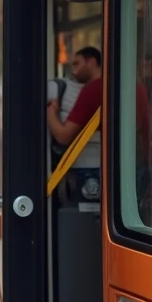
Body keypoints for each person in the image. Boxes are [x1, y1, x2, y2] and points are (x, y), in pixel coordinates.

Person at [46, 47, 103, 202]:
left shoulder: (92, 91)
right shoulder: (134, 88)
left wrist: (51, 110)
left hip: (88, 169)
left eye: (77, 64)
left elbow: (63, 136)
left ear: (91, 62)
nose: (73, 70)